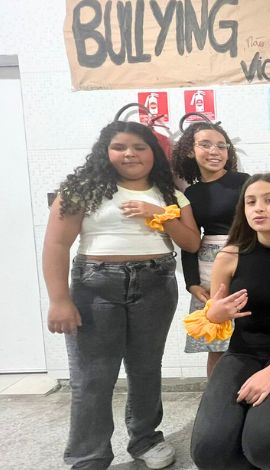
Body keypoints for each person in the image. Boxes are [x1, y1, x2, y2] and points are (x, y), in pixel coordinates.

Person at [43, 120, 201, 469]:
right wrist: (59, 300)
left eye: (139, 147)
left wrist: (159, 215)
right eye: (120, 147)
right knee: (93, 376)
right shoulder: (82, 189)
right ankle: (89, 455)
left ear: (153, 154)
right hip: (95, 285)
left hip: (156, 284)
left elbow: (191, 242)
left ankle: (145, 440)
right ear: (106, 151)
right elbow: (56, 244)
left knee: (146, 369)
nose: (130, 153)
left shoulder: (170, 193)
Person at [188, 174, 270, 469]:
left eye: (269, 200)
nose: (258, 208)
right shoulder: (229, 257)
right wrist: (214, 314)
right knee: (208, 452)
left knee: (264, 446)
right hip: (241, 353)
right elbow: (211, 318)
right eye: (251, 202)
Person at [172, 121, 249, 376]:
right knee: (216, 343)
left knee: (250, 335)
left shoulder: (245, 182)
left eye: (221, 146)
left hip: (245, 258)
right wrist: (191, 282)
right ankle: (216, 402)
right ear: (190, 151)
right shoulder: (190, 193)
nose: (214, 151)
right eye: (205, 145)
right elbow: (191, 240)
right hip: (208, 268)